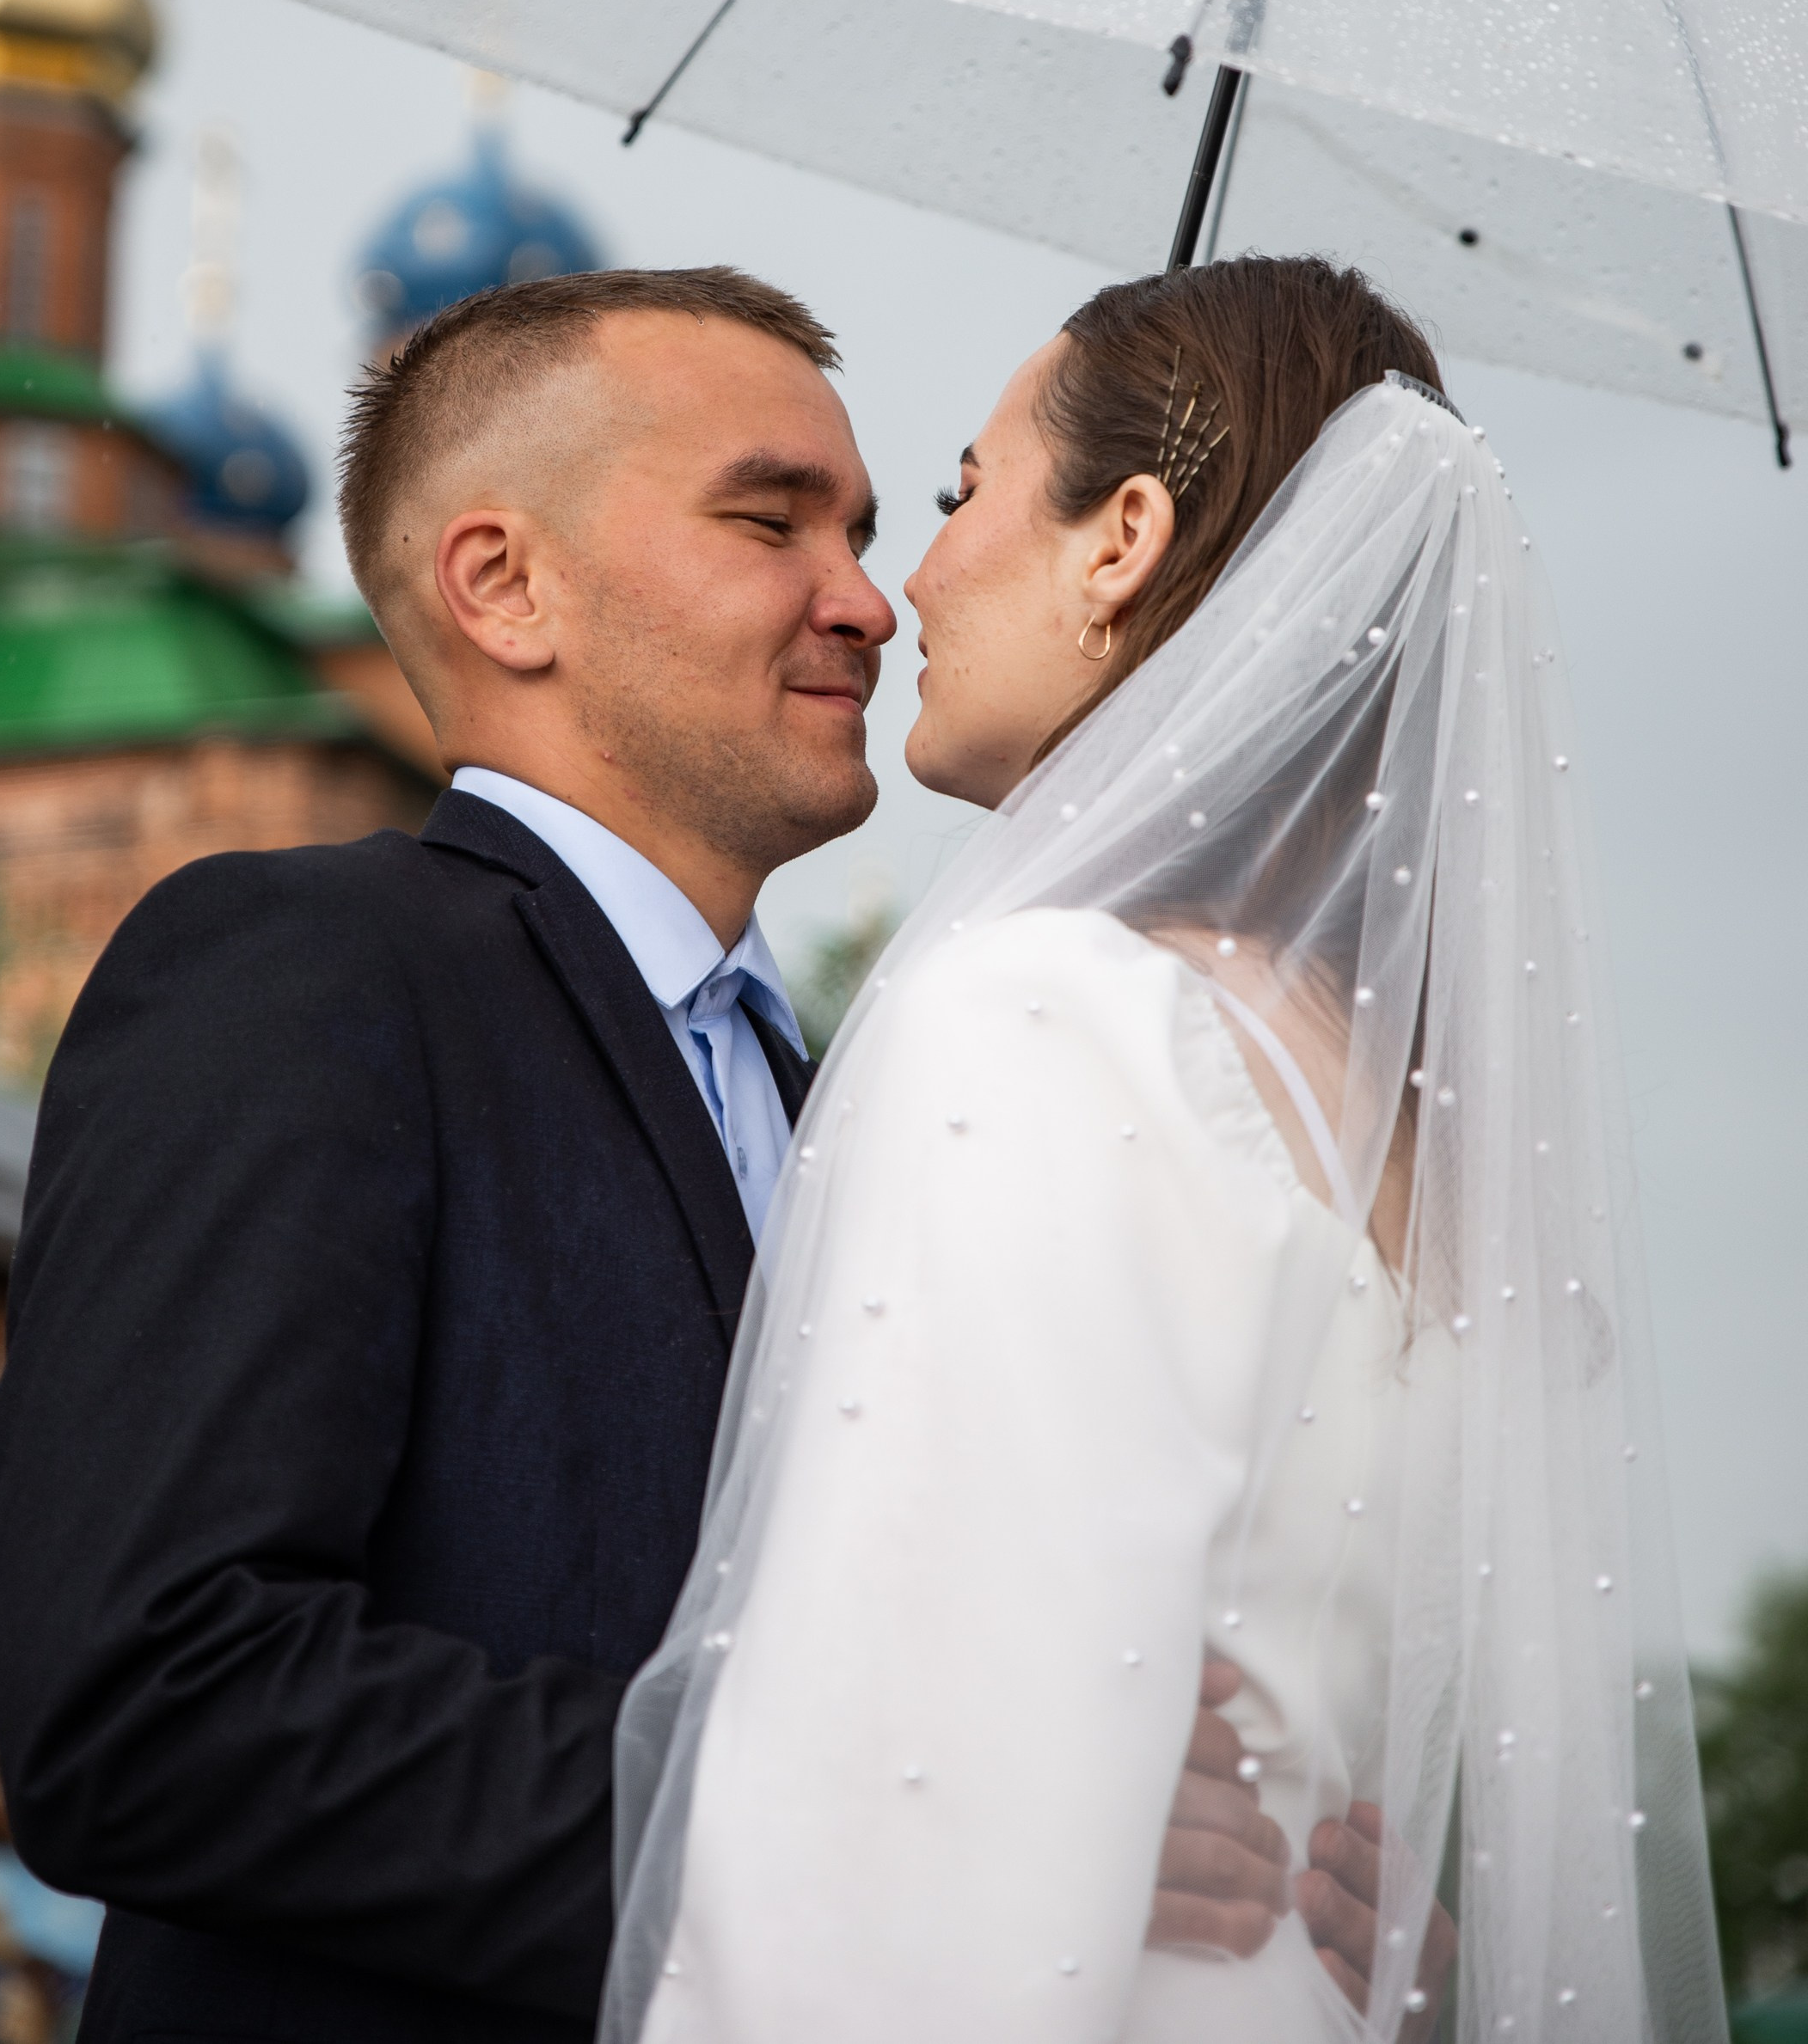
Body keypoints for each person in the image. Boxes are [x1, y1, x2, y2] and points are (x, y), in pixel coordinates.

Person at [0, 266, 1333, 2044]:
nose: (865, 598)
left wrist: (1244, 1872)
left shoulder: (872, 1097)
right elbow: (151, 1703)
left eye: (862, 527)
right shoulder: (302, 970)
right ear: (503, 583)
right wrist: (928, 1821)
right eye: (769, 521)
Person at [604, 256, 1729, 2044]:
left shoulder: (1047, 1013)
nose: (907, 589)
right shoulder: (1416, 1148)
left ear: (1122, 535)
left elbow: (864, 1799)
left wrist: (1016, 1775)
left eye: (965, 493)